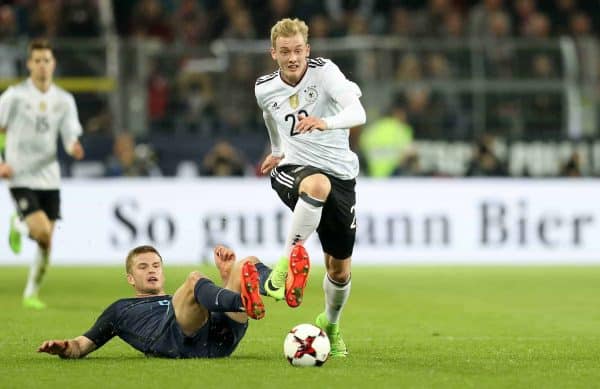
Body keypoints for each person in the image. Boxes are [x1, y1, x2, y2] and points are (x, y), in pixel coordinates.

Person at [255, 18, 366, 357]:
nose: (292, 58)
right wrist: (277, 152)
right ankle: (285, 266)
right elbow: (270, 118)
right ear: (274, 53)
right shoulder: (263, 87)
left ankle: (330, 323)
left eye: (298, 50)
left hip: (342, 175)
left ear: (308, 50)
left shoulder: (325, 72)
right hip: (294, 169)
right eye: (285, 51)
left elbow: (358, 112)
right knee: (316, 184)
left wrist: (325, 122)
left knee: (339, 269)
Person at [37, 244, 309, 359]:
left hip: (219, 339)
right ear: (130, 279)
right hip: (175, 342)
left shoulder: (177, 298)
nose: (152, 270)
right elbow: (81, 346)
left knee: (245, 263)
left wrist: (228, 276)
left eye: (156, 265)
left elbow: (202, 304)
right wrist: (65, 347)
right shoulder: (121, 309)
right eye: (143, 267)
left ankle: (280, 287)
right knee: (194, 279)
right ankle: (243, 301)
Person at [0, 39, 85, 309]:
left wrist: (73, 147)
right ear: (28, 64)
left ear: (53, 64)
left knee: (46, 242)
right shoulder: (14, 96)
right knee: (42, 233)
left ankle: (31, 293)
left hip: (50, 177)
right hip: (20, 174)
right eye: (37, 60)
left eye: (46, 60)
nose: (42, 65)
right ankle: (18, 224)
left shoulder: (64, 100)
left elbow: (70, 134)